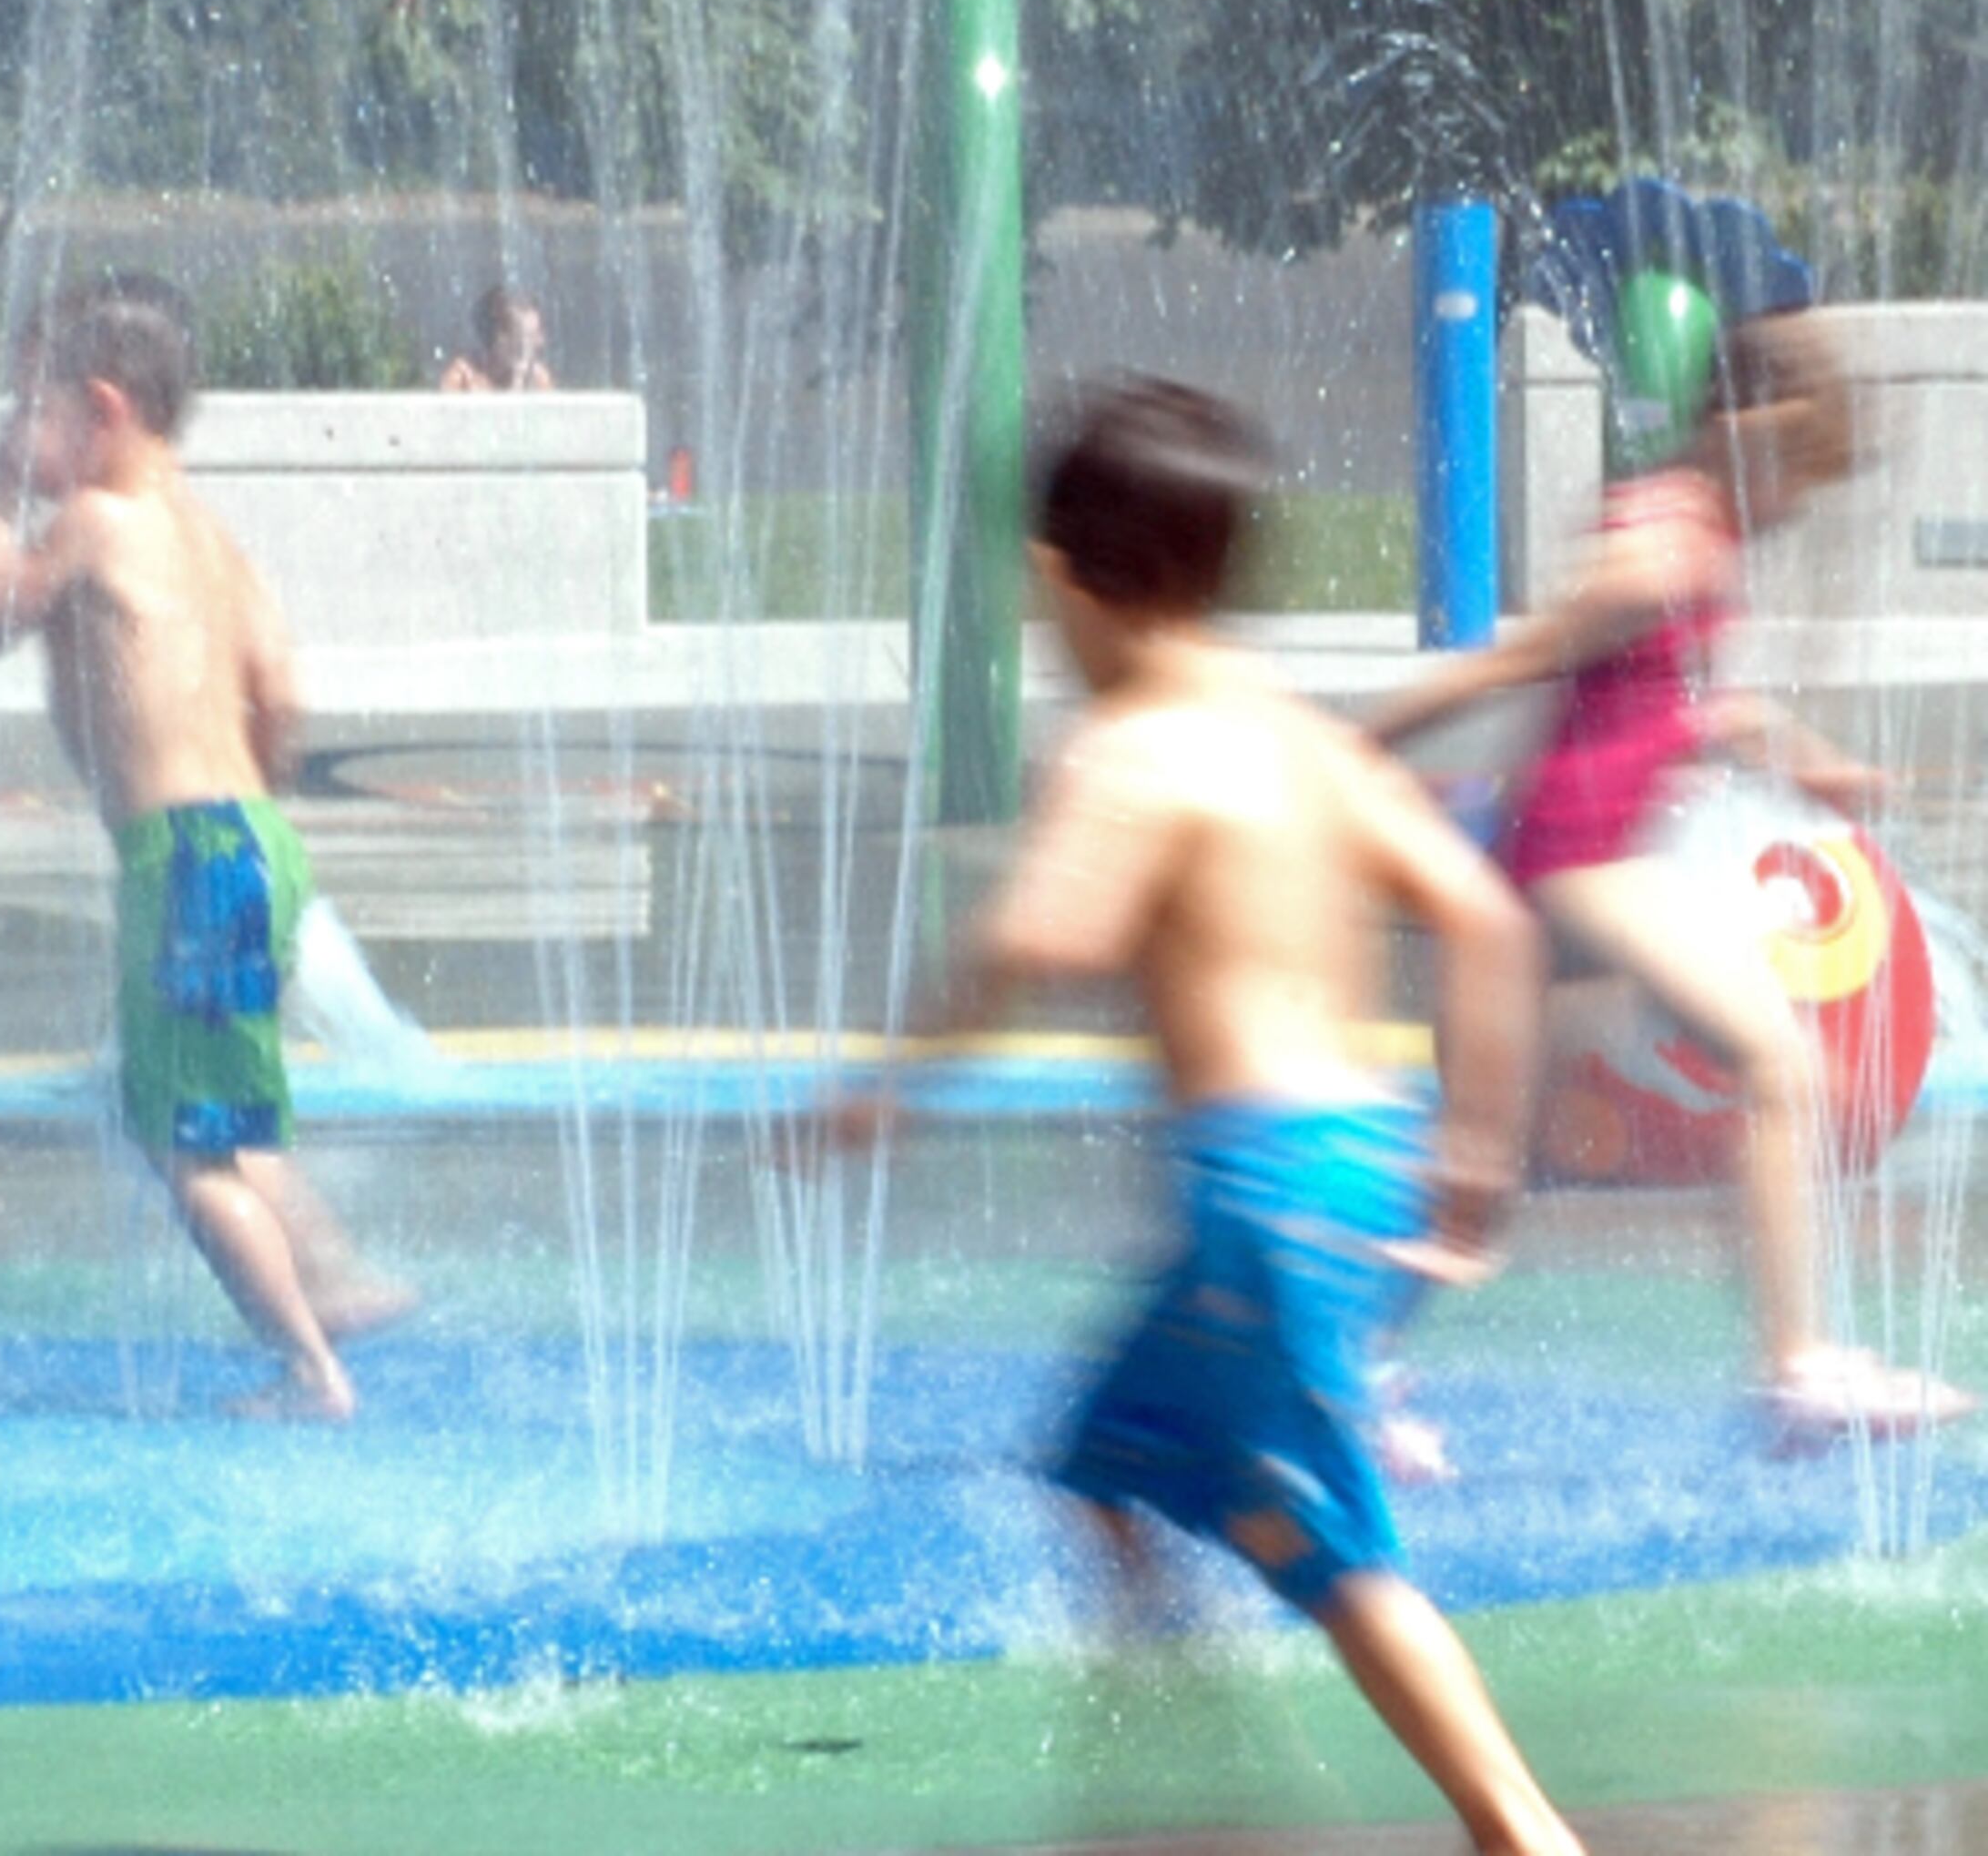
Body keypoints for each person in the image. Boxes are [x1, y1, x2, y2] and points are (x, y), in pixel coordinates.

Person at [816, 379, 1573, 1852]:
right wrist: (1474, 1161)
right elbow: (1488, 924)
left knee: (1343, 1552)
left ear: (1062, 580)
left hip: (1262, 1191)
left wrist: (895, 1082)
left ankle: (1524, 1830)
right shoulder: (1307, 743)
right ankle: (1190, 1779)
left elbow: (1046, 939)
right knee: (1103, 1460)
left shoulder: (1131, 748)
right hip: (1360, 1152)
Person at [1364, 308, 1970, 1437]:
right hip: (1571, 866)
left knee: (1481, 1187)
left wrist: (1810, 766)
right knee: (1777, 1060)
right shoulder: (1660, 549)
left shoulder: (1697, 534)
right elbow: (1517, 661)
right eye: (1799, 474)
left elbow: (1695, 705)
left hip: (1561, 881)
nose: (1795, 507)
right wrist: (1351, 745)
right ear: (1753, 429)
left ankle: (1344, 1367)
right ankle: (1797, 1372)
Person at [0, 282, 411, 1422]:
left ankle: (310, 1366)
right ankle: (331, 1279)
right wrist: (239, 801)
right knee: (195, 1104)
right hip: (251, 841)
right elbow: (280, 693)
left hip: (191, 859)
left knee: (179, 1145)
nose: (17, 428)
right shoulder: (209, 536)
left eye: (31, 407)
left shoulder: (95, 523)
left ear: (100, 410)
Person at [436, 282, 554, 394]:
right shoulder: (462, 378)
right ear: (496, 337)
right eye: (522, 338)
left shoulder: (538, 379)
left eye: (535, 336)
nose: (540, 343)